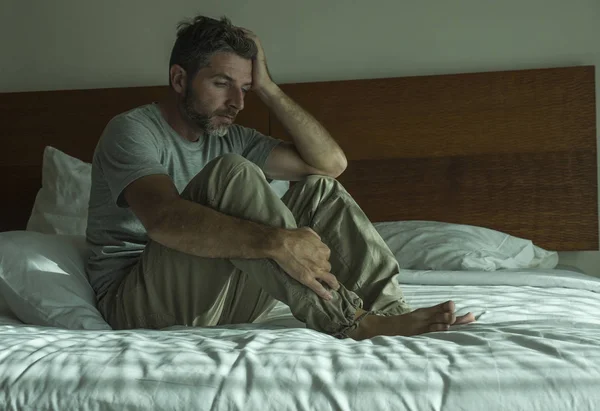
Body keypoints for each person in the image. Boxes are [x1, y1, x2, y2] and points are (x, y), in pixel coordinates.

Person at [86, 15, 474, 340]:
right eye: (222, 84)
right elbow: (164, 220)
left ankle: (389, 312)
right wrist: (277, 242)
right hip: (138, 301)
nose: (237, 102)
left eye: (245, 88)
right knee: (232, 172)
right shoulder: (133, 130)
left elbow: (331, 165)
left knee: (318, 190)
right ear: (178, 79)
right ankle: (350, 321)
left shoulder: (230, 135)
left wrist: (269, 88)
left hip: (223, 296)